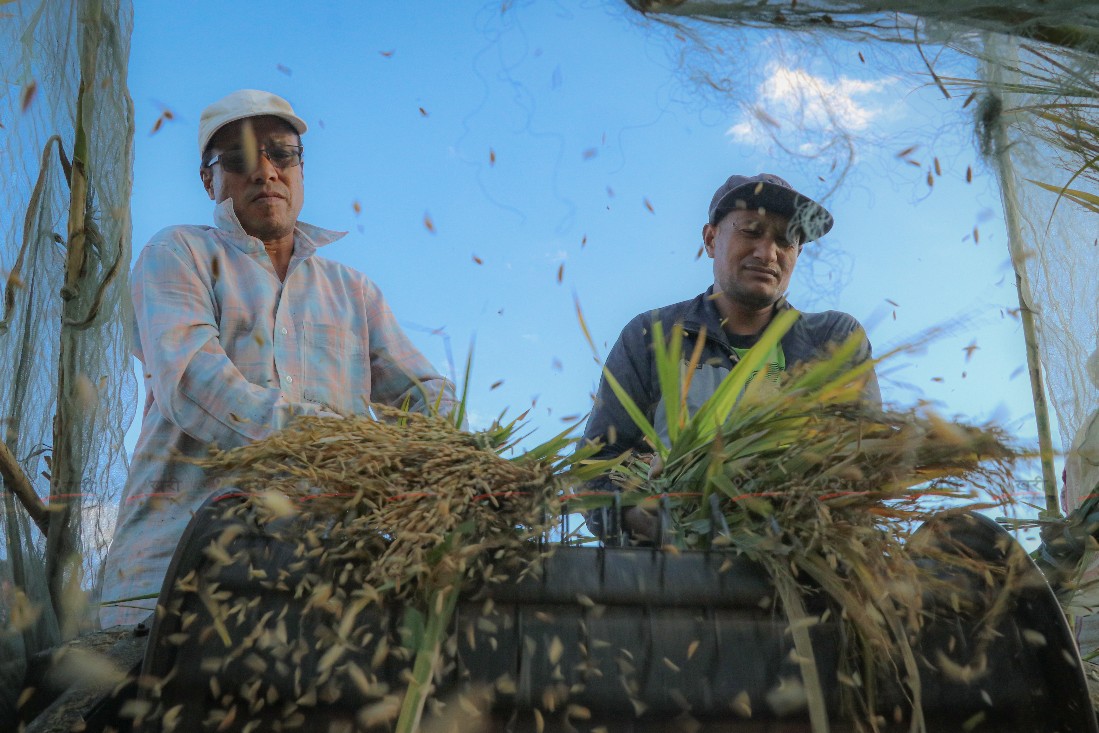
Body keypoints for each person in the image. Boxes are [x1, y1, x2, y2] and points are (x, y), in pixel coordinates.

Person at [99, 90, 457, 626]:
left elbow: (424, 395)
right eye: (239, 159)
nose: (264, 171)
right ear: (208, 180)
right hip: (175, 575)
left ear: (300, 169)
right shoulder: (179, 254)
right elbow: (192, 381)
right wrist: (325, 442)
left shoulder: (353, 292)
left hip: (327, 581)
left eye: (281, 153)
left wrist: (451, 458)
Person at [582, 173, 881, 542]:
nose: (767, 253)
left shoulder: (833, 341)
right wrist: (663, 519)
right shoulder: (654, 336)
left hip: (801, 569)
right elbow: (595, 470)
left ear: (798, 252)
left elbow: (866, 463)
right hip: (673, 581)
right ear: (710, 239)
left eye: (786, 240)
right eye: (751, 231)